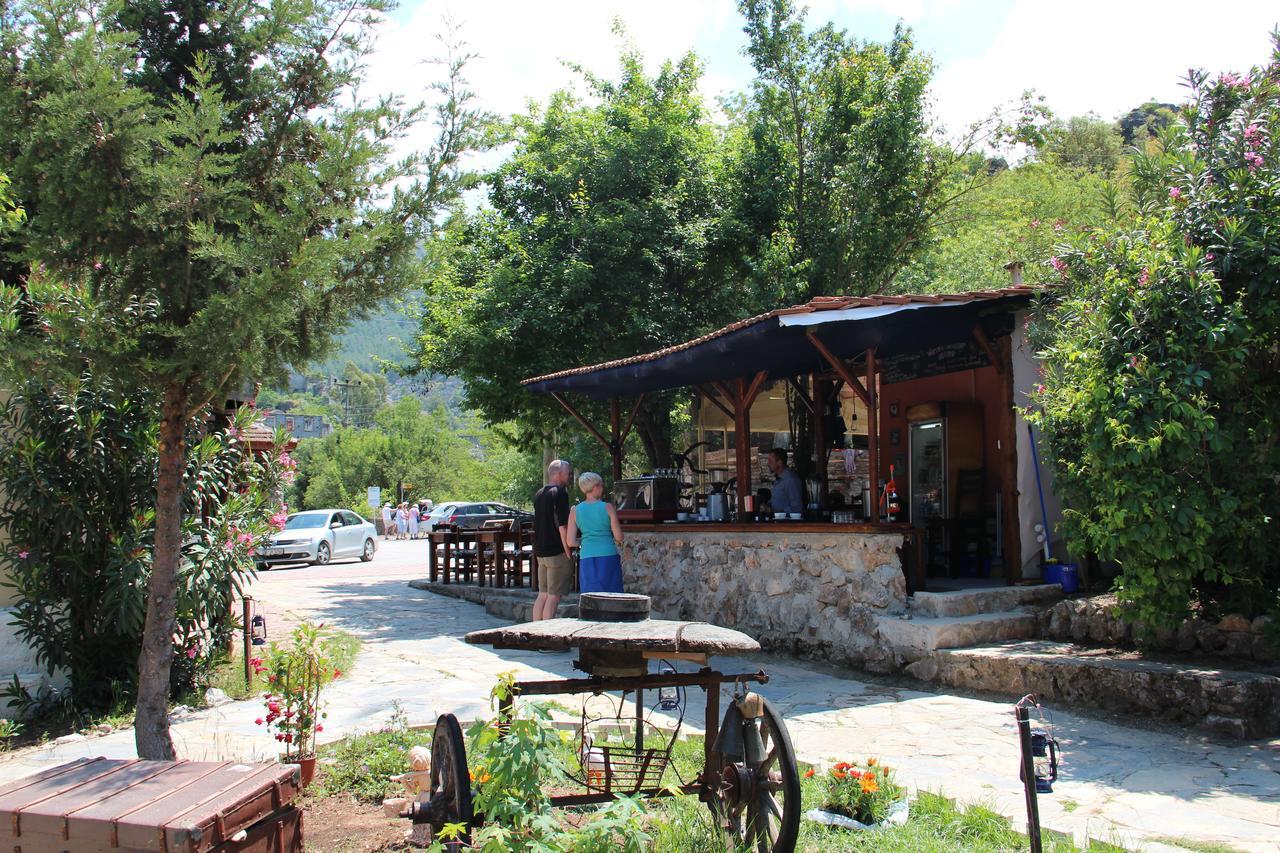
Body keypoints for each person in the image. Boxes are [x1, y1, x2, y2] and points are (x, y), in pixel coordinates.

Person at [568, 471, 624, 594]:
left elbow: (570, 542)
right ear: (595, 487)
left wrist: (585, 540)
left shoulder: (575, 510)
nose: (603, 488)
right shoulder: (608, 507)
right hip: (608, 555)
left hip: (587, 556)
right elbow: (619, 537)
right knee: (612, 596)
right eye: (601, 485)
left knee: (591, 598)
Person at [532, 459, 573, 621]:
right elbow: (562, 525)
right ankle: (548, 639)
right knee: (554, 596)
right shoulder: (560, 493)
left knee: (542, 595)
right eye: (567, 473)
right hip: (557, 551)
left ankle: (533, 634)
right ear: (558, 473)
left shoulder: (539, 494)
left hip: (540, 551)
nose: (569, 476)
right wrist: (568, 550)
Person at [767, 448, 804, 516]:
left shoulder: (790, 480)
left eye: (770, 461)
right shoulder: (779, 480)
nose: (768, 464)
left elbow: (797, 508)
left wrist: (780, 513)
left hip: (786, 524)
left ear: (780, 462)